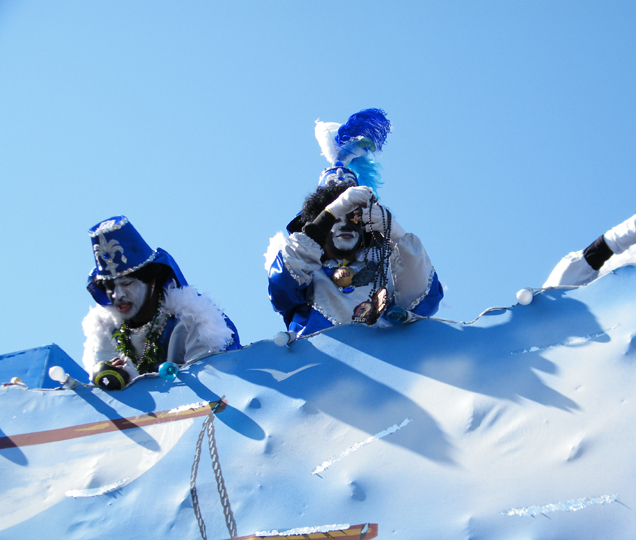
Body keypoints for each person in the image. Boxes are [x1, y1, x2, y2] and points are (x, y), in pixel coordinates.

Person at [267, 108, 443, 338]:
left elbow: (424, 301)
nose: (346, 224)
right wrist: (328, 215)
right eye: (335, 216)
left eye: (354, 216)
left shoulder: (385, 269)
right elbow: (282, 289)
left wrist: (397, 234)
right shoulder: (307, 273)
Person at [82, 216, 241, 389]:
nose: (117, 295)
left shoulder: (192, 321)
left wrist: (139, 387)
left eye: (127, 283)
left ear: (151, 281)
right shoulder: (106, 332)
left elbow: (212, 385)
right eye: (110, 286)